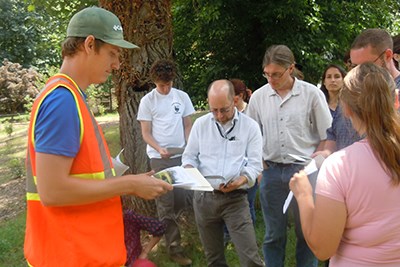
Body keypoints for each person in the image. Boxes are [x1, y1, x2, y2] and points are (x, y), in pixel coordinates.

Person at [24, 7, 172, 267]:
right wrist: (130, 185)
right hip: (70, 256)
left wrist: (125, 177)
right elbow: (52, 191)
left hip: (79, 253)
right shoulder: (62, 101)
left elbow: (77, 173)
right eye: (112, 54)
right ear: (89, 44)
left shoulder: (70, 97)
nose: (116, 64)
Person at [289, 62, 400, 266]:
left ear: (346, 109)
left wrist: (304, 195)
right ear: (395, 101)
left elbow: (323, 248)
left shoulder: (339, 166)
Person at [246, 44, 332, 267]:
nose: (270, 79)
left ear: (291, 68)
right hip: (271, 172)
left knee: (307, 232)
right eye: (266, 74)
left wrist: (315, 164)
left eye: (276, 74)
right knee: (274, 233)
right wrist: (260, 168)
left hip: (304, 171)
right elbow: (251, 136)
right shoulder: (258, 97)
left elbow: (327, 134)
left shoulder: (311, 94)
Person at [182, 79, 264, 267]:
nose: (219, 115)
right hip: (204, 198)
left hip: (235, 199)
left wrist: (241, 179)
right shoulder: (201, 125)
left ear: (235, 100)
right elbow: (189, 157)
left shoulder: (250, 127)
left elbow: (254, 165)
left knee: (250, 258)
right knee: (214, 259)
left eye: (224, 110)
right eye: (214, 110)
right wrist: (189, 171)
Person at [137, 59, 195, 266]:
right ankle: (174, 248)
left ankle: (172, 234)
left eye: (168, 84)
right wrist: (158, 147)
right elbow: (145, 133)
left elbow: (187, 125)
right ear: (154, 82)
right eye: (162, 85)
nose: (165, 88)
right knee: (165, 203)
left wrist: (189, 145)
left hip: (181, 156)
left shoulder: (182, 97)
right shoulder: (148, 102)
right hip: (159, 159)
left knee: (182, 198)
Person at [315, 28, 400, 158]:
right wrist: (326, 153)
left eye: (366, 65)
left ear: (387, 56)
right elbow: (334, 132)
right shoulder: (350, 89)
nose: (359, 72)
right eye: (354, 66)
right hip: (343, 173)